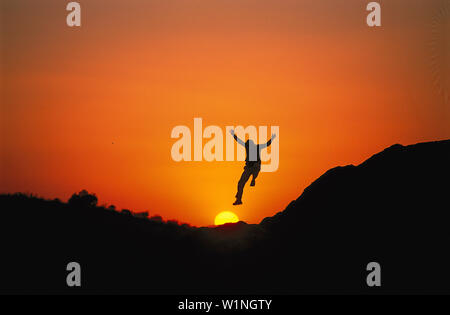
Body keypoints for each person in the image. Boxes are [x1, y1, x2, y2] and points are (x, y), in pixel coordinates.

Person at [230, 129, 276, 205]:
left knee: (256, 167)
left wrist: (272, 138)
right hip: (248, 167)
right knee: (240, 183)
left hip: (256, 166)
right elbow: (239, 141)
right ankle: (239, 199)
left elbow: (267, 144)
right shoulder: (247, 147)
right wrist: (233, 135)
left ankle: (253, 179)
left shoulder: (257, 147)